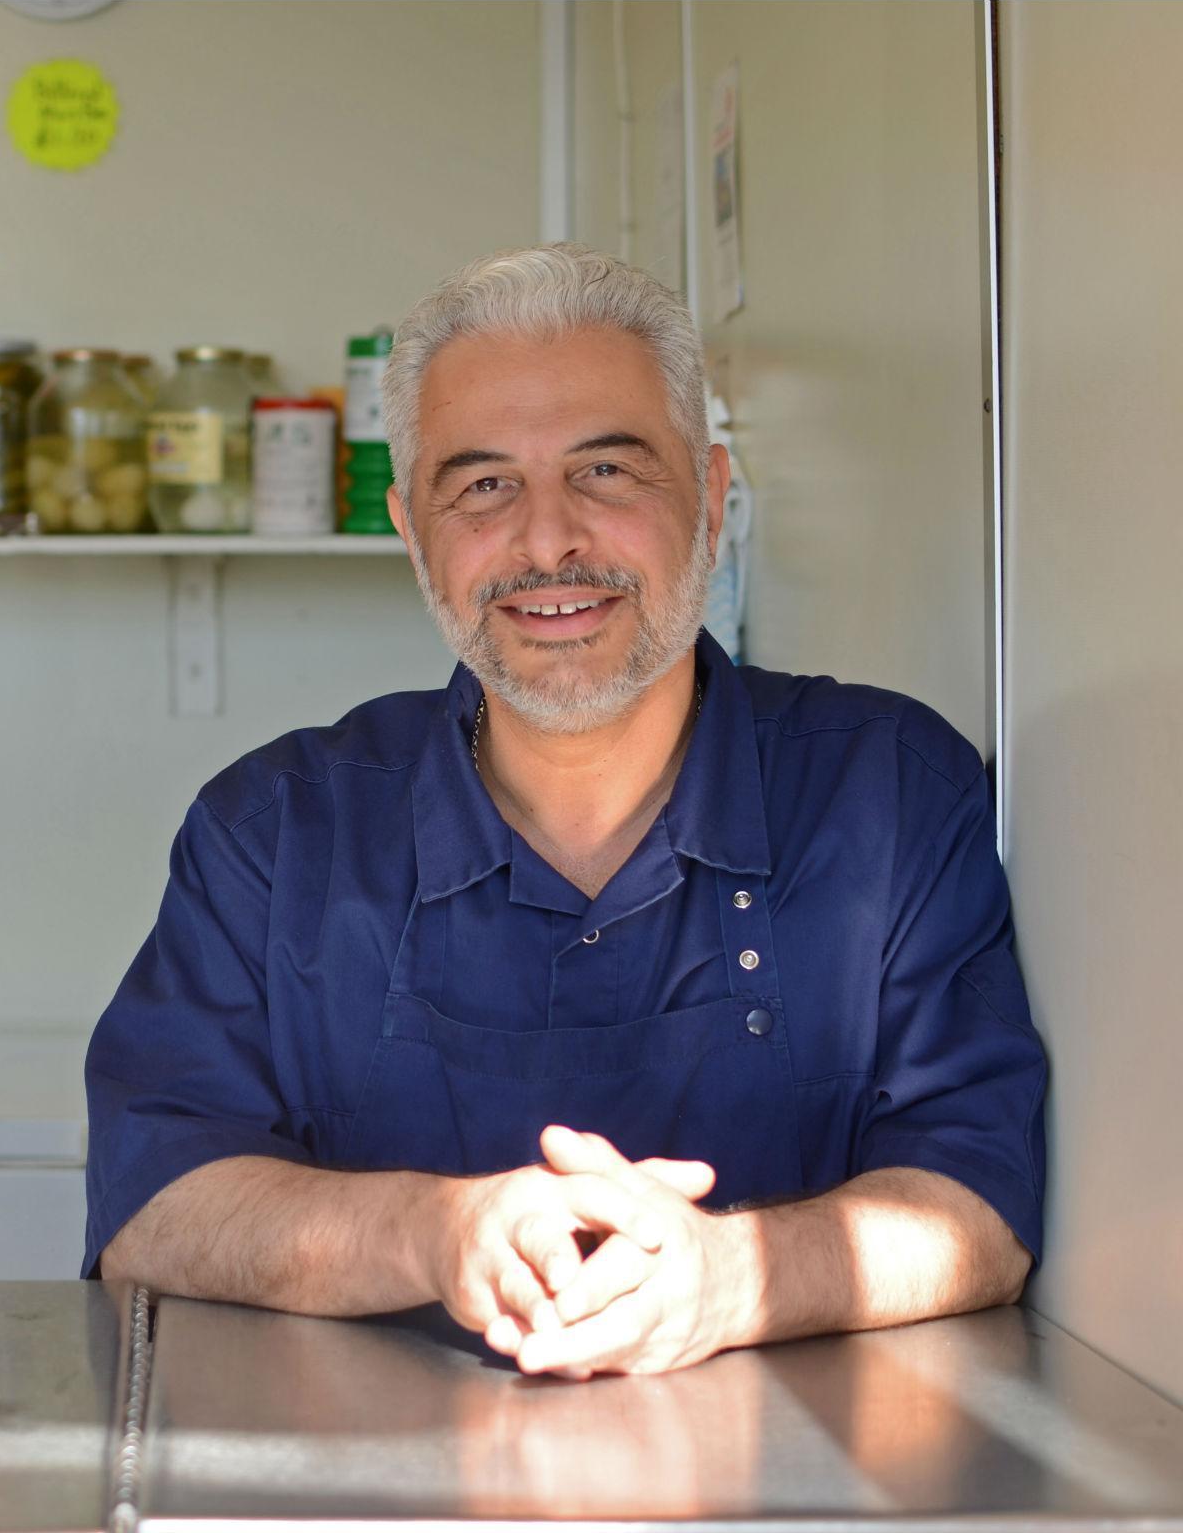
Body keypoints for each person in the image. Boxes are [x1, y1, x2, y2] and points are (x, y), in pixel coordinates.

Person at [82, 244, 1045, 1379]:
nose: (546, 542)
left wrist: (725, 1279)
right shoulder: (273, 832)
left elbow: (976, 1202)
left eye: (605, 472)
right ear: (409, 532)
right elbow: (154, 1205)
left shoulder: (888, 792)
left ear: (712, 496)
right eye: (481, 485)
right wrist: (431, 1236)